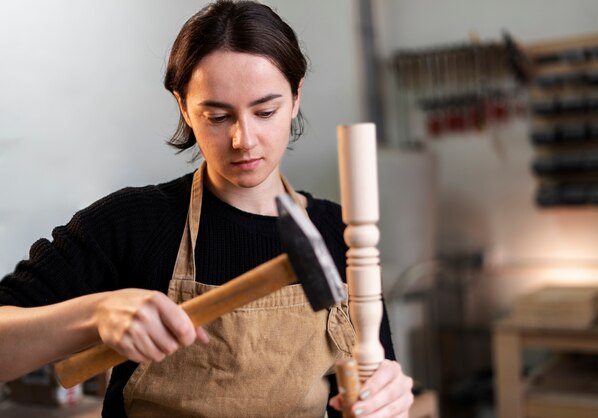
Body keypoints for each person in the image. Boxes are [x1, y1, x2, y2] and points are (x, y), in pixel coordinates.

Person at [0, 1, 414, 417]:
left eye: (265, 111)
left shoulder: (341, 233)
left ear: (296, 97)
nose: (244, 139)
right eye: (218, 116)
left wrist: (386, 397)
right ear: (183, 106)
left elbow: (362, 388)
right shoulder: (132, 225)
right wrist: (95, 314)